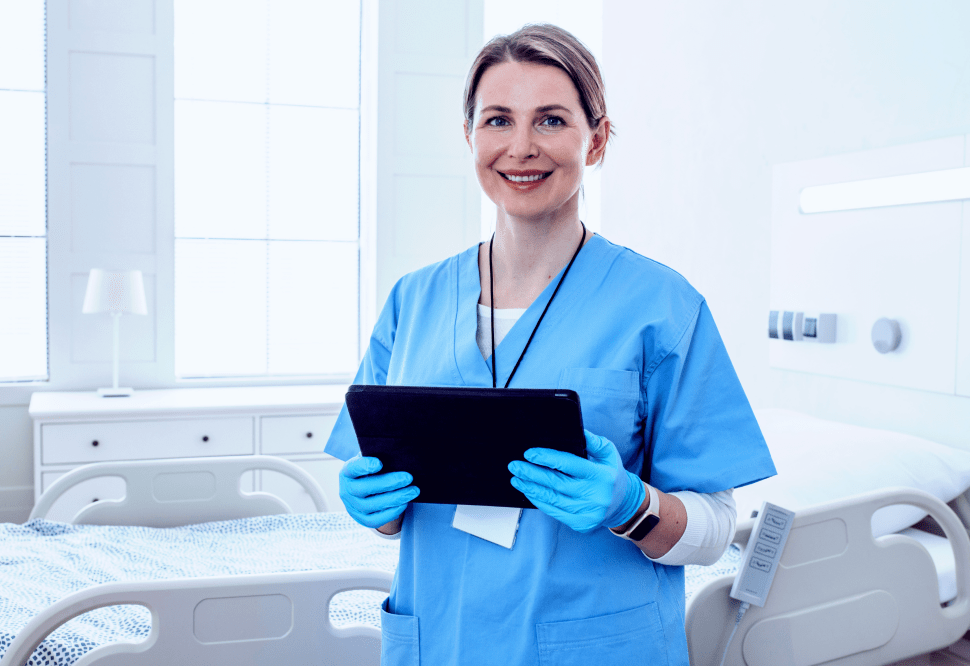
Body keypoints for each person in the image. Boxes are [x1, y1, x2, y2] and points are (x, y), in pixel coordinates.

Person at [325, 23, 775, 665]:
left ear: (596, 140)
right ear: (470, 136)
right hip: (440, 637)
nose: (522, 147)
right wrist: (376, 507)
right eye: (498, 120)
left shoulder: (661, 306)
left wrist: (631, 504)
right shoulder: (414, 299)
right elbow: (388, 503)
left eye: (552, 120)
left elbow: (713, 530)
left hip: (592, 644)